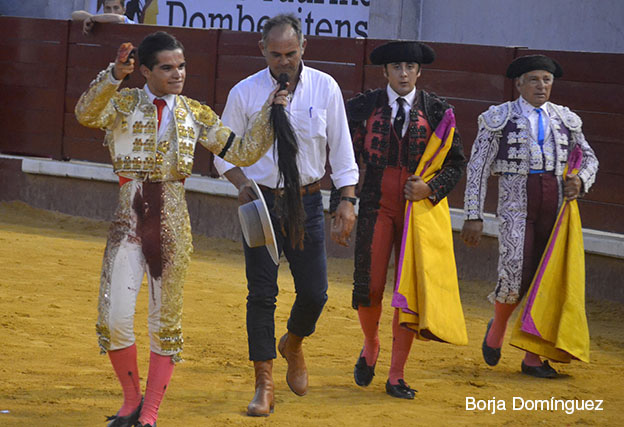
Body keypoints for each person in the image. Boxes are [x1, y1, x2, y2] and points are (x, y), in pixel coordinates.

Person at [75, 31, 286, 427]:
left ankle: (149, 414)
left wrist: (269, 113)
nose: (178, 74)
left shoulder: (196, 112)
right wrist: (112, 76)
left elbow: (241, 152)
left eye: (182, 66)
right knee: (114, 317)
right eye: (167, 68)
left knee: (165, 321)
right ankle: (131, 399)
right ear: (145, 71)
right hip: (129, 218)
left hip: (172, 220)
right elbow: (86, 114)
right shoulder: (121, 102)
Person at [212, 13, 359, 417]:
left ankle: (292, 343)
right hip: (259, 202)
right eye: (275, 54)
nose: (283, 61)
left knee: (315, 292)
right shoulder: (244, 92)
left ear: (304, 48)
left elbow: (342, 152)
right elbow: (223, 153)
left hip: (307, 202)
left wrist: (346, 200)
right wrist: (242, 185)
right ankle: (264, 384)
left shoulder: (324, 87)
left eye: (290, 53)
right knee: (261, 293)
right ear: (262, 50)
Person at [336, 41, 466, 399]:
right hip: (377, 203)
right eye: (397, 67)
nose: (404, 73)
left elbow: (456, 163)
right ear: (386, 72)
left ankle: (396, 374)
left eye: (410, 66)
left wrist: (431, 187)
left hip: (418, 210)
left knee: (406, 291)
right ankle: (371, 343)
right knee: (371, 284)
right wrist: (342, 203)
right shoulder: (363, 108)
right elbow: (345, 158)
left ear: (419, 71)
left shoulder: (438, 111)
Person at [461, 54, 598, 378]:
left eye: (546, 80)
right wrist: (473, 214)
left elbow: (590, 158)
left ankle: (533, 357)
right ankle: (498, 327)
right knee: (514, 273)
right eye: (534, 79)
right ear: (519, 83)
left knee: (547, 277)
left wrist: (581, 180)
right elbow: (478, 168)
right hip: (515, 204)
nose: (541, 85)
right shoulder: (498, 117)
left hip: (556, 205)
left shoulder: (566, 119)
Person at [71, 0, 136, 35]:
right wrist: (93, 18)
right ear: (104, 9)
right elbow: (74, 14)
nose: (112, 12)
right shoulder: (98, 19)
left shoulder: (127, 21)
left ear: (124, 10)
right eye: (108, 8)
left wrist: (92, 19)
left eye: (116, 8)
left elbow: (118, 18)